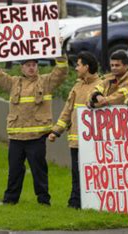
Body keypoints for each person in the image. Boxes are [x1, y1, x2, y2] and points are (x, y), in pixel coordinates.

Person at [0, 43, 68, 205]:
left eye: (34, 65)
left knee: (39, 171)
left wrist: (59, 51)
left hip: (37, 137)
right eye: (28, 65)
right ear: (21, 68)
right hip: (16, 136)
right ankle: (10, 200)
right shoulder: (13, 82)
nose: (31, 68)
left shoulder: (46, 82)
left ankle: (43, 201)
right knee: (14, 170)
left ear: (37, 67)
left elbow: (62, 72)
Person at [48, 51, 102, 209]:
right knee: (77, 174)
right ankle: (75, 203)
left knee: (93, 173)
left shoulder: (101, 85)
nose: (76, 68)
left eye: (78, 65)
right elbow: (67, 111)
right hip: (76, 140)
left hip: (94, 141)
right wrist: (56, 131)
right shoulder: (77, 86)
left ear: (86, 66)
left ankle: (92, 203)